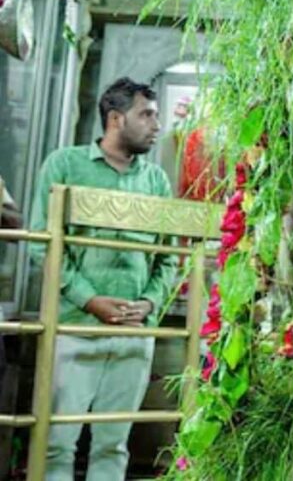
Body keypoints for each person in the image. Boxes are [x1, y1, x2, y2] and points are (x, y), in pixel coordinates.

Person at [29, 77, 176, 481]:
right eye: (146, 114)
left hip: (133, 333)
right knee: (57, 441)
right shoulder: (64, 165)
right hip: (75, 326)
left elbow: (170, 260)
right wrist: (90, 299)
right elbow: (41, 243)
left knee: (113, 445)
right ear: (115, 118)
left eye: (157, 115)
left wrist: (148, 304)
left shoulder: (157, 182)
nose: (156, 124)